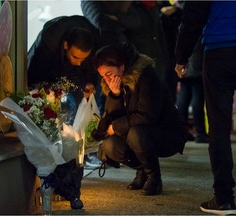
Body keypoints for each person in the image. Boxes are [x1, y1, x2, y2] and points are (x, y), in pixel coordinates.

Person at [92, 42, 188, 195]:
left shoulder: (146, 76)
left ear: (122, 66)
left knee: (136, 134)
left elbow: (147, 115)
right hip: (137, 131)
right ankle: (142, 170)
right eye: (103, 76)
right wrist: (115, 95)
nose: (107, 79)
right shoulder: (115, 82)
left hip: (166, 132)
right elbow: (111, 115)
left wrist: (116, 127)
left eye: (109, 74)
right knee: (110, 145)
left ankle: (154, 177)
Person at [27, 15, 99, 210]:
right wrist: (49, 96)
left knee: (73, 134)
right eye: (75, 57)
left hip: (70, 81)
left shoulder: (92, 39)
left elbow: (89, 68)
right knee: (51, 129)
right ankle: (51, 182)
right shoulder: (47, 46)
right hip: (46, 77)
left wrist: (90, 83)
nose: (78, 62)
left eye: (83, 58)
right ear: (66, 45)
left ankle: (70, 188)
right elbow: (35, 78)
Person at [174, 1, 236, 214]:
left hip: (219, 52)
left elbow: (192, 18)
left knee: (219, 128)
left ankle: (224, 198)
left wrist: (182, 57)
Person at [176, 39, 209, 143]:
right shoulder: (198, 24)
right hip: (197, 64)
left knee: (183, 97)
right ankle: (200, 133)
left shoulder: (182, 25)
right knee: (197, 98)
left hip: (184, 65)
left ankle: (182, 132)